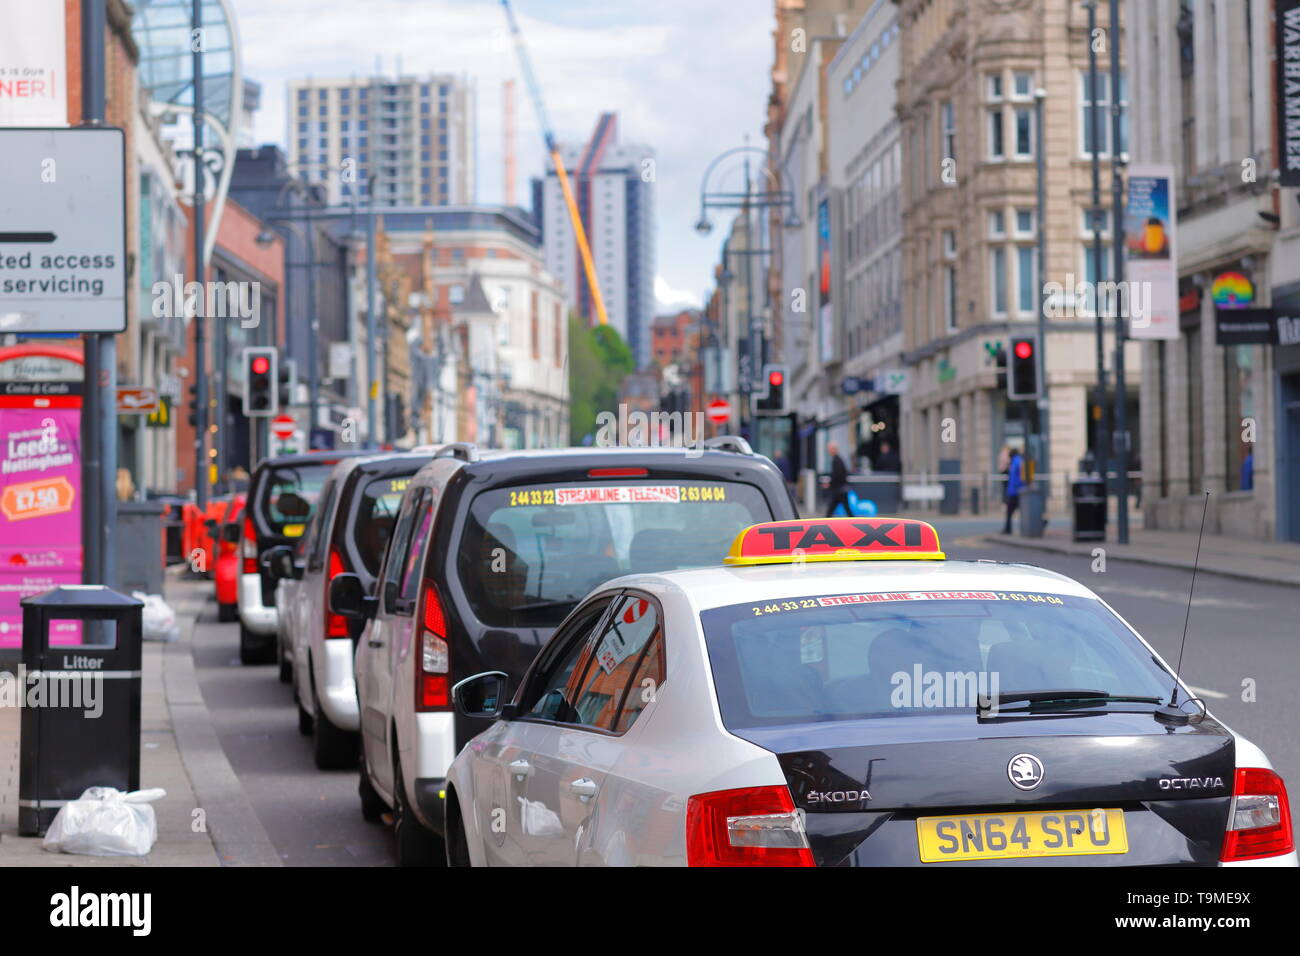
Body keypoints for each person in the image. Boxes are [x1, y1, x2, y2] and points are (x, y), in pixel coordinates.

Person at [1002, 445, 1024, 534]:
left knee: (1010, 512)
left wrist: (1018, 486)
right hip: (1014, 491)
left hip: (1016, 491)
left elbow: (1021, 477)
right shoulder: (1015, 461)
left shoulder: (1017, 462)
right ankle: (1007, 529)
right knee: (1010, 512)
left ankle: (1008, 529)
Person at [826, 442, 851, 517]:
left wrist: (830, 483)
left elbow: (837, 474)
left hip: (839, 489)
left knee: (833, 507)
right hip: (840, 488)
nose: (829, 451)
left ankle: (825, 520)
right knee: (844, 508)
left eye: (830, 449)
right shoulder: (838, 459)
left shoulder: (837, 460)